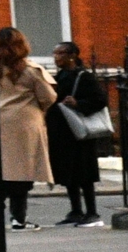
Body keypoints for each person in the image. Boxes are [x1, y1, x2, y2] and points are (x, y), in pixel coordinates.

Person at [0, 27, 56, 231]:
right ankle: (18, 218)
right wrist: (35, 110)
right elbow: (49, 97)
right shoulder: (31, 69)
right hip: (23, 124)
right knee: (21, 172)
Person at [45, 39, 107, 227]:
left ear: (73, 55)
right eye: (55, 54)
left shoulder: (83, 76)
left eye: (61, 53)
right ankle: (76, 211)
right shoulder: (59, 76)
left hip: (79, 134)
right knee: (68, 174)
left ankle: (92, 212)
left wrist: (79, 104)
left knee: (84, 174)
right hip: (62, 133)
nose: (57, 57)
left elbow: (100, 100)